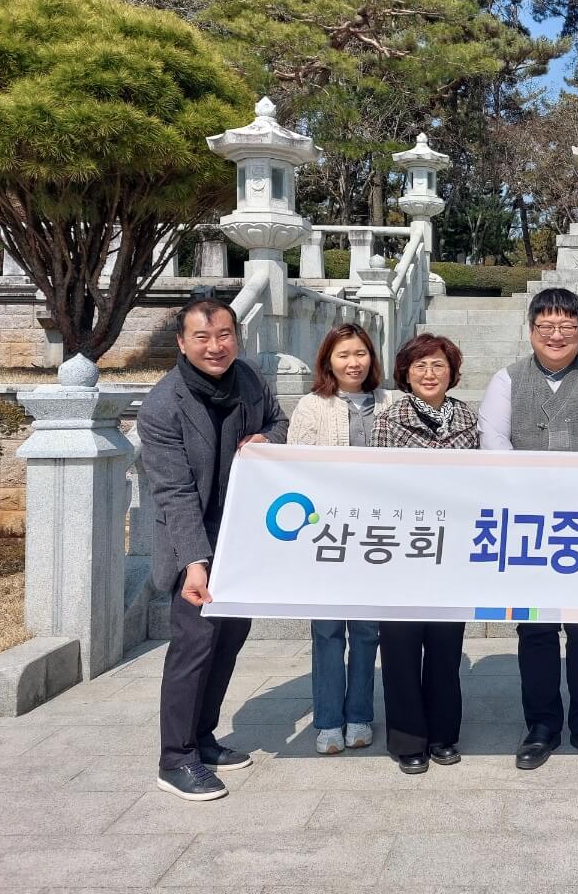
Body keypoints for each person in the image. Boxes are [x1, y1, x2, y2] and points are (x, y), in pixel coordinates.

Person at [477, 287, 578, 770]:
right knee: (536, 629)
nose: (556, 335)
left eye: (567, 326)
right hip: (529, 523)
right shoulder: (507, 380)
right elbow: (494, 443)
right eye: (546, 326)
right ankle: (541, 725)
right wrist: (534, 492)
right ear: (530, 330)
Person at [139, 298, 288, 802]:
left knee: (228, 641)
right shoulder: (163, 406)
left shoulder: (249, 378)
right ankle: (175, 758)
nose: (215, 346)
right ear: (182, 343)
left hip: (242, 537)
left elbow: (279, 422)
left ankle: (203, 737)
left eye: (224, 335)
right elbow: (174, 493)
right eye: (202, 338)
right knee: (194, 647)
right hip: (194, 541)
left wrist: (266, 438)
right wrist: (194, 565)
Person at [371, 333, 478, 775]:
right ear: (405, 373)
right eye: (420, 366)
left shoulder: (469, 419)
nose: (429, 373)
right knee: (399, 649)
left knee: (445, 648)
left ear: (452, 372)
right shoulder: (388, 418)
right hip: (402, 547)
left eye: (438, 365)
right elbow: (377, 484)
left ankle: (443, 735)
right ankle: (408, 740)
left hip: (452, 549)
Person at [288, 323, 387, 756]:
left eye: (360, 353)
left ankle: (360, 715)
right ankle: (328, 721)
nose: (353, 363)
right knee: (327, 630)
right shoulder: (312, 406)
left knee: (366, 631)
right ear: (328, 360)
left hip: (376, 535)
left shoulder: (391, 402)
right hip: (327, 534)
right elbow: (296, 469)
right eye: (344, 354)